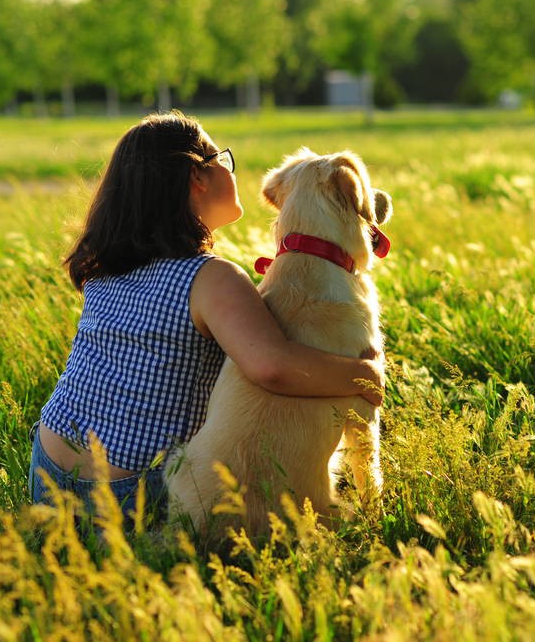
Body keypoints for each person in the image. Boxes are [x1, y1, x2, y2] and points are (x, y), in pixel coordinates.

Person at [28, 110, 384, 529]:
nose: (231, 171)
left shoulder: (105, 267)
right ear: (198, 177)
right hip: (131, 492)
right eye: (223, 160)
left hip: (48, 471)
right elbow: (272, 366)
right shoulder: (210, 277)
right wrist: (366, 374)